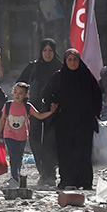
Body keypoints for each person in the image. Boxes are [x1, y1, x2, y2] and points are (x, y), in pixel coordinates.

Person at [42, 49, 103, 190]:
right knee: (65, 152)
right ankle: (67, 180)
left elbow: (97, 95)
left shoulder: (87, 76)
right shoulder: (59, 77)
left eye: (75, 59)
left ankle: (85, 181)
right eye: (69, 60)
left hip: (84, 121)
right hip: (64, 122)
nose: (73, 62)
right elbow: (46, 94)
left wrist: (96, 112)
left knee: (83, 151)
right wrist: (52, 105)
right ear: (65, 61)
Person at [18, 38, 63, 186]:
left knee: (51, 141)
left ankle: (50, 174)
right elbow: (20, 84)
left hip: (53, 110)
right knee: (35, 140)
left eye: (50, 50)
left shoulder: (60, 68)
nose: (47, 53)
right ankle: (42, 171)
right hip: (34, 109)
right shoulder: (34, 67)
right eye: (45, 50)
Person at [0, 82, 57, 188]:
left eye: (20, 93)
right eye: (15, 92)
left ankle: (16, 176)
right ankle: (14, 177)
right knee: (13, 156)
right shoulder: (8, 105)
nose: (17, 95)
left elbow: (40, 116)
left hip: (22, 137)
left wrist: (51, 112)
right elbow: (2, 121)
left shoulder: (28, 107)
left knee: (18, 157)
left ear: (26, 95)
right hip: (9, 135)